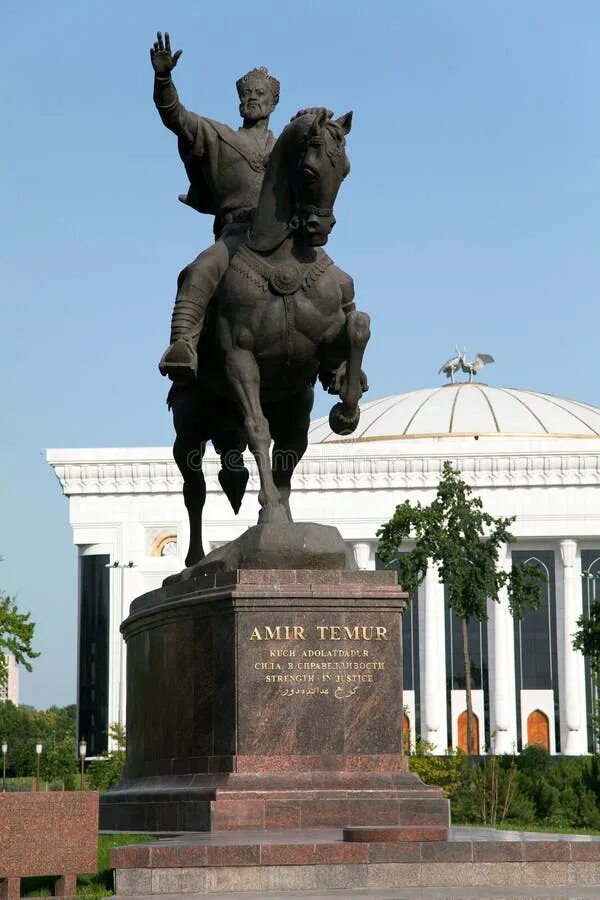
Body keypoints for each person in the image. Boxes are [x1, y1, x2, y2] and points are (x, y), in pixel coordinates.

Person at [150, 32, 280, 378]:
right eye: (247, 94)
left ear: (273, 102)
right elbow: (176, 117)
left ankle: (338, 365)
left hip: (282, 237)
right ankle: (183, 343)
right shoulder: (221, 137)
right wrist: (164, 79)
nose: (253, 99)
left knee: (335, 284)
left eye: (260, 94)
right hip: (236, 235)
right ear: (239, 102)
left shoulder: (285, 149)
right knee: (199, 270)